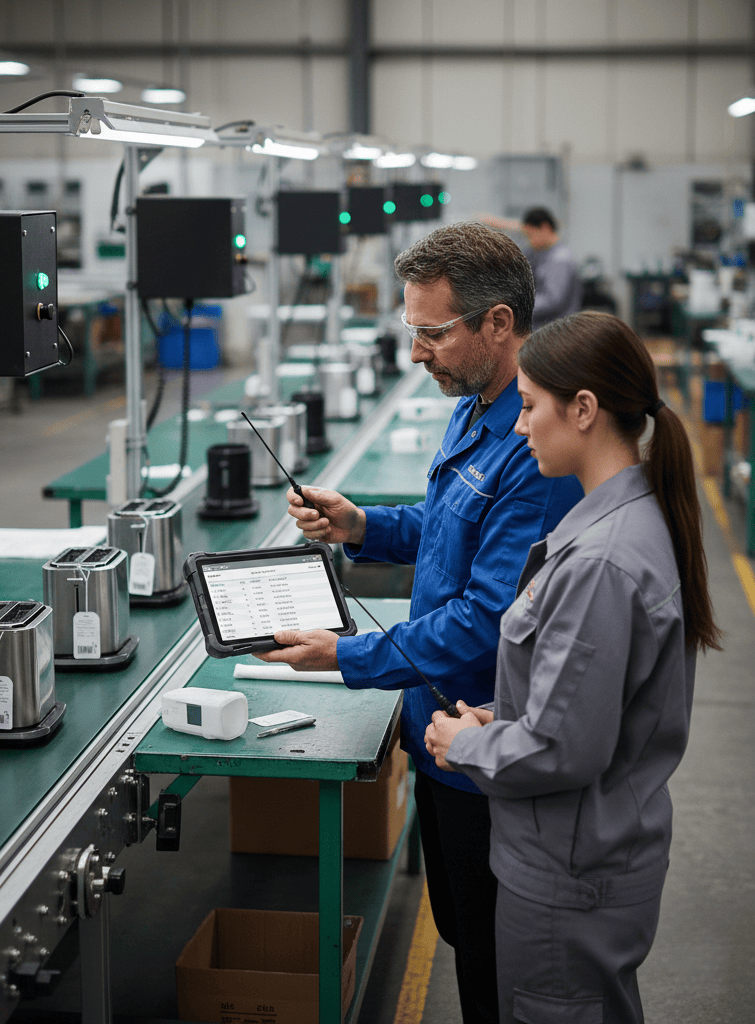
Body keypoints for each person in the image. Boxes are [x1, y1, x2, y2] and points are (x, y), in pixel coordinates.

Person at [256, 222, 584, 1024]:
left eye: (433, 334)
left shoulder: (531, 446)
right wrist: (365, 525)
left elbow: (485, 619)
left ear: (498, 324)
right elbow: (448, 530)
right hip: (437, 729)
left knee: (494, 960)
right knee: (467, 935)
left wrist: (350, 655)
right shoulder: (475, 403)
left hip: (484, 744)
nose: (416, 353)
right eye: (413, 332)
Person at [424, 310, 721, 1024]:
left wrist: (464, 744)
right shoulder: (629, 517)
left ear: (583, 410)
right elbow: (591, 703)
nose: (519, 428)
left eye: (529, 407)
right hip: (593, 849)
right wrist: (506, 715)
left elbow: (563, 748)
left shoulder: (603, 561)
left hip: (566, 871)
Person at [480, 207, 582, 329]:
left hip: (555, 331)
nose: (529, 240)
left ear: (545, 228)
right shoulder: (542, 252)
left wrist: (515, 305)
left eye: (530, 235)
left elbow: (552, 300)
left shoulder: (560, 260)